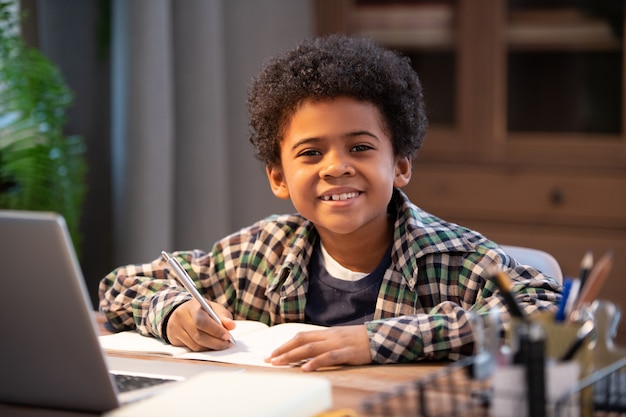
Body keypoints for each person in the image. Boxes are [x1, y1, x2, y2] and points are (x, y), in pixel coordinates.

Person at [99, 34, 561, 372]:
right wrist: (172, 311)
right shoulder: (260, 252)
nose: (335, 167)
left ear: (400, 166)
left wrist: (375, 340)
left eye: (360, 148)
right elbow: (119, 287)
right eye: (310, 153)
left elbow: (542, 307)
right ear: (279, 177)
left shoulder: (452, 258)